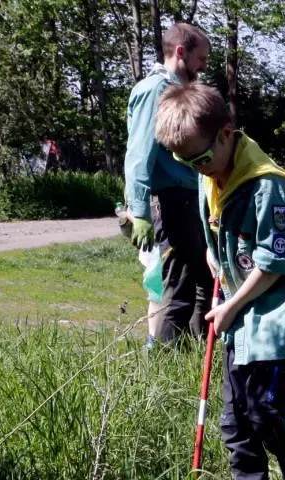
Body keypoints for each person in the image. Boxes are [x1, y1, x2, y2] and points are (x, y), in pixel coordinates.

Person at [155, 82, 285, 480]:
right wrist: (212, 255)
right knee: (235, 425)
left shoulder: (270, 189)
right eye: (183, 162)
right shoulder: (209, 174)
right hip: (237, 331)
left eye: (201, 158)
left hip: (274, 329)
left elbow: (274, 261)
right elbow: (216, 234)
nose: (196, 169)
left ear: (227, 133)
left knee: (268, 415)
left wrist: (233, 304)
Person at [124, 21, 212, 345]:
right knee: (178, 289)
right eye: (200, 57)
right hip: (169, 200)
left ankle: (198, 357)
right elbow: (138, 154)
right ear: (180, 52)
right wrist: (141, 212)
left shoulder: (178, 91)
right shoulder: (155, 91)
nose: (203, 66)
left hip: (188, 199)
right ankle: (162, 370)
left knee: (204, 279)